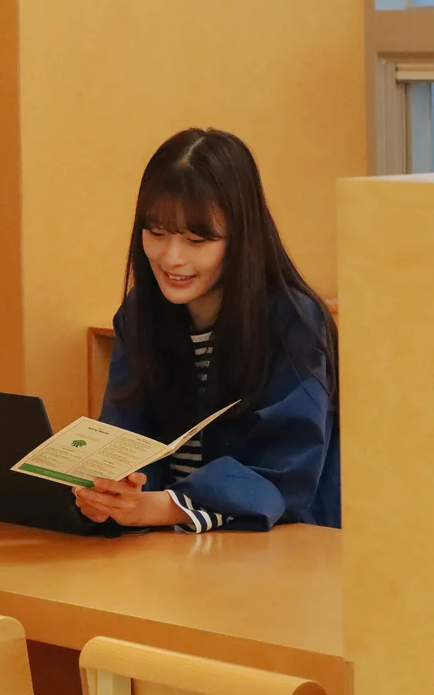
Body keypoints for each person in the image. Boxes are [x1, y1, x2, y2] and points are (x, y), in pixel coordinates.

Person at [74, 128, 340, 533]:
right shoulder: (140, 314)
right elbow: (123, 437)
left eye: (197, 239)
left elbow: (283, 476)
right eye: (156, 233)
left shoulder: (293, 322)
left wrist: (160, 508)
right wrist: (107, 495)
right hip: (166, 552)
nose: (171, 258)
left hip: (276, 553)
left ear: (242, 239)